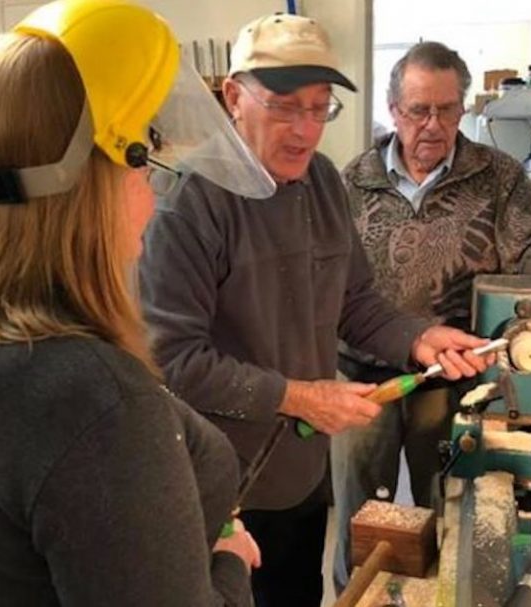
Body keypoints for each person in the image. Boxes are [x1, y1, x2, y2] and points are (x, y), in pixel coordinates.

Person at [0, 1, 269, 605]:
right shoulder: (88, 397)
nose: (152, 193)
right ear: (100, 178)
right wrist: (229, 567)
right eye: (146, 156)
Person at [140, 16, 494, 607]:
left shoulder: (324, 182)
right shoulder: (191, 203)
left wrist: (420, 337)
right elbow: (175, 361)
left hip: (301, 472)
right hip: (221, 483)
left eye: (319, 107)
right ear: (233, 96)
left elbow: (354, 303)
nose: (306, 130)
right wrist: (303, 396)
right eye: (284, 107)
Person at [331, 41, 531, 591]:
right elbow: (325, 275)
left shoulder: (496, 175)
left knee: (450, 507)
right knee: (362, 517)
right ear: (392, 108)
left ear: (463, 108)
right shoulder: (351, 179)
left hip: (451, 376)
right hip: (360, 375)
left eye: (447, 109)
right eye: (418, 110)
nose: (433, 124)